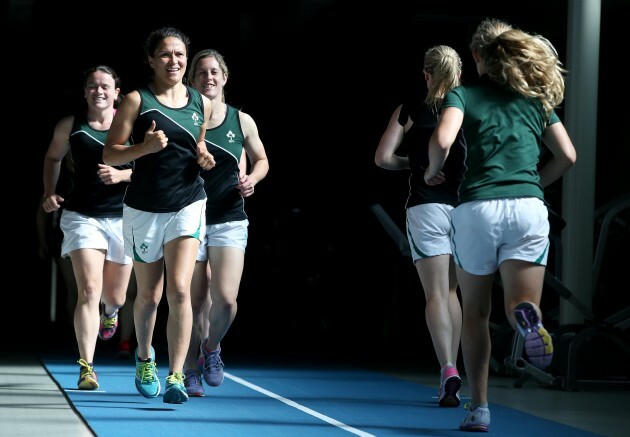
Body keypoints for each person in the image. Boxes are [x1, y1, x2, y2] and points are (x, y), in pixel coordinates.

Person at [424, 18, 577, 432]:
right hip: (528, 209)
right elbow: (567, 155)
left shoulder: (464, 94)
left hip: (478, 209)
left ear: (477, 57)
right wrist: (534, 186)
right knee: (518, 304)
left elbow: (442, 140)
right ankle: (528, 319)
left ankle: (480, 408)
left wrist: (431, 172)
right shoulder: (534, 99)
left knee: (474, 313)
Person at [103, 26, 215, 404]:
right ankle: (145, 357)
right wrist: (145, 147)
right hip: (143, 208)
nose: (174, 61)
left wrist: (204, 156)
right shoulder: (137, 100)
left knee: (180, 289)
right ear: (151, 60)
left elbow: (196, 148)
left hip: (187, 202)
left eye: (180, 54)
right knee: (149, 295)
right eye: (165, 54)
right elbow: (111, 154)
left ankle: (176, 376)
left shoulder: (201, 101)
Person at [374, 45, 465, 407]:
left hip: (427, 206)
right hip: (465, 207)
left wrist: (414, 165)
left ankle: (446, 367)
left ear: (426, 75)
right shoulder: (465, 108)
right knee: (454, 293)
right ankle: (454, 367)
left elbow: (382, 158)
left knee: (436, 295)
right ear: (458, 73)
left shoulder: (409, 109)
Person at [182, 48, 269, 396]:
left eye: (214, 71)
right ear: (191, 80)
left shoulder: (241, 120)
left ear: (225, 77)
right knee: (194, 301)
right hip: (189, 216)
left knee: (227, 301)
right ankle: (189, 370)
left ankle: (210, 349)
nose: (208, 77)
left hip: (229, 217)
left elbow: (261, 159)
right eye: (201, 72)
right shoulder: (183, 119)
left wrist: (254, 179)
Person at [41, 65, 134, 390]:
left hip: (124, 217)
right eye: (92, 85)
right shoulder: (71, 125)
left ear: (116, 93)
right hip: (82, 215)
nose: (98, 91)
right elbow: (53, 158)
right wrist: (49, 193)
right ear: (85, 92)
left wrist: (122, 175)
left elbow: (155, 167)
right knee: (89, 291)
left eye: (105, 86)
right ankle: (86, 367)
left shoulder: (130, 125)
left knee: (115, 295)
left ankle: (112, 312)